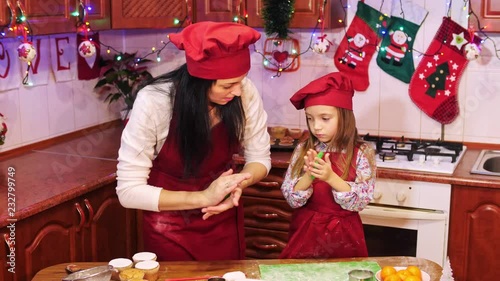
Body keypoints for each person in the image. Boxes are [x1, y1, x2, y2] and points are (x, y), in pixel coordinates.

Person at [115, 21, 271, 261]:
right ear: (199, 83)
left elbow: (260, 158)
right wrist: (203, 197)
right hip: (169, 227)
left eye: (242, 80)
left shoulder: (245, 91)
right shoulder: (155, 102)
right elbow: (128, 192)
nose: (239, 91)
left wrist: (236, 185)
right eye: (228, 85)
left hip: (222, 220)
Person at [279, 72, 376, 259]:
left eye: (325, 118)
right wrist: (308, 176)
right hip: (306, 231)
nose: (316, 127)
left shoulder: (362, 153)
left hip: (344, 235)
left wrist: (331, 177)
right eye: (310, 118)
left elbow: (361, 201)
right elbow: (291, 199)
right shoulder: (303, 149)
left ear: (345, 117)